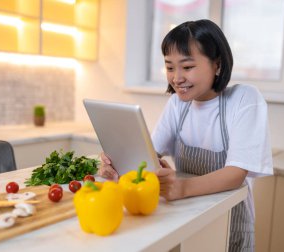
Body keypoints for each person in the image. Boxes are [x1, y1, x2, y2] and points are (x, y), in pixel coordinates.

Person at [99, 19, 273, 252]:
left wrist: (181, 188)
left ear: (217, 65)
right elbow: (149, 154)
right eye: (170, 67)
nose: (176, 77)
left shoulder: (244, 98)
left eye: (187, 67)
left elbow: (236, 173)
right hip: (185, 220)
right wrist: (119, 162)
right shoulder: (177, 105)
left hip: (229, 222)